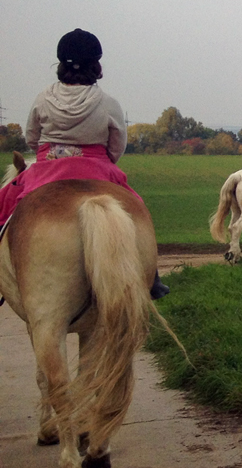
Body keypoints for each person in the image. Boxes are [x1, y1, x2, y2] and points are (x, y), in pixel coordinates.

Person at [2, 29, 168, 299]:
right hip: (98, 170)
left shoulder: (43, 98)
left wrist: (51, 154)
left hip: (46, 169)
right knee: (138, 210)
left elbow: (31, 138)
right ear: (96, 65)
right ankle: (152, 279)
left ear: (60, 64)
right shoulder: (108, 103)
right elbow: (117, 146)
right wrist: (98, 160)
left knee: (5, 204)